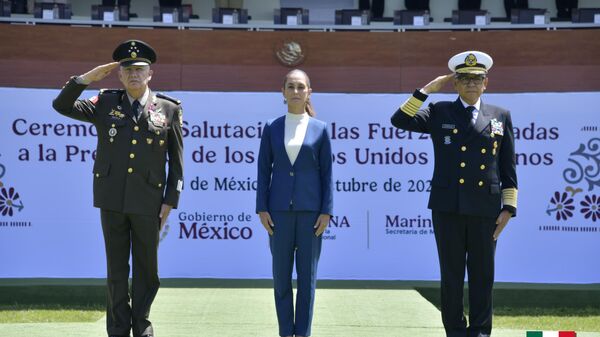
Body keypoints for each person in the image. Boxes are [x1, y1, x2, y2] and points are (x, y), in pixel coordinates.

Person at [52, 39, 184, 337]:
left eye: (140, 69)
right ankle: (118, 329)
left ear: (150, 73)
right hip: (111, 198)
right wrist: (86, 79)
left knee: (147, 271)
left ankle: (142, 325)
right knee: (116, 270)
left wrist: (170, 200)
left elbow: (177, 162)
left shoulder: (168, 108)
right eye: (127, 70)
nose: (134, 74)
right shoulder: (106, 102)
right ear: (120, 76)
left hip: (149, 200)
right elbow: (61, 105)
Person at [390, 51, 518, 337]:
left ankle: (481, 332)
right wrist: (427, 90)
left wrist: (508, 209)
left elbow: (508, 167)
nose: (471, 84)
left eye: (477, 78)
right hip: (448, 207)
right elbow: (399, 119)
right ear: (455, 84)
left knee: (483, 276)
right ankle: (456, 332)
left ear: (486, 83)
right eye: (464, 79)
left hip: (486, 209)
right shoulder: (439, 111)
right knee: (451, 275)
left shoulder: (500, 116)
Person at [256, 69, 333, 337]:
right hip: (278, 213)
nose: (296, 91)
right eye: (291, 86)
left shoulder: (321, 129)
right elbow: (263, 170)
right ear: (283, 92)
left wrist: (327, 211)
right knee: (281, 278)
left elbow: (328, 173)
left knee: (307, 280)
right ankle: (285, 331)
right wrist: (261, 208)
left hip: (312, 214)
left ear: (309, 92)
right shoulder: (272, 127)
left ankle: (303, 333)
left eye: (301, 87)